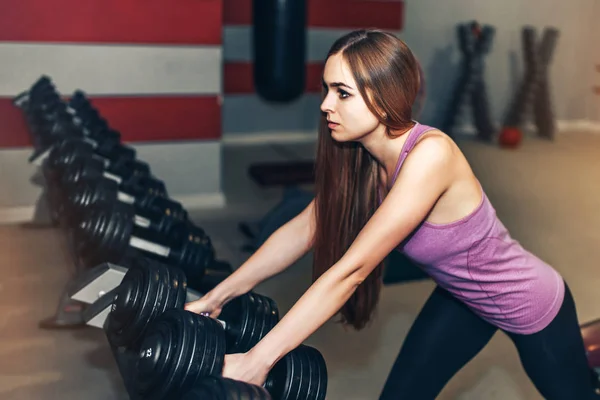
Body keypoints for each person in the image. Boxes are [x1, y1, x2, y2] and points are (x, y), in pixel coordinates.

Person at [185, 29, 598, 399]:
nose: (327, 105)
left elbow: (351, 271)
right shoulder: (362, 161)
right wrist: (216, 297)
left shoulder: (431, 156)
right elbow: (302, 230)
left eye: (342, 93)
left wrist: (259, 361)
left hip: (527, 303)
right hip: (460, 298)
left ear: (385, 98)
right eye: (326, 90)